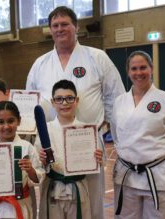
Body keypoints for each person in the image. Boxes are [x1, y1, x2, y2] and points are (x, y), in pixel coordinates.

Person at [26, 6, 125, 218]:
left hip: (86, 143)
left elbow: (115, 99)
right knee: (51, 201)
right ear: (50, 30)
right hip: (49, 143)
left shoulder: (97, 58)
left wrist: (106, 129)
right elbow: (30, 107)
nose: (60, 29)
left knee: (91, 200)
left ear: (76, 27)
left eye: (65, 24)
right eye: (55, 25)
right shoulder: (40, 64)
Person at [110, 50, 165, 219]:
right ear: (128, 72)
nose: (139, 73)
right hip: (127, 175)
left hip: (159, 175)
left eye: (143, 67)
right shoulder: (119, 102)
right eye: (134, 68)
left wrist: (164, 159)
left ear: (151, 69)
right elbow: (116, 136)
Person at [35, 79, 103, 219]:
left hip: (78, 189)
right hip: (53, 190)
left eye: (69, 98)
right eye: (59, 99)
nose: (64, 103)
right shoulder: (44, 130)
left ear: (76, 100)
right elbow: (37, 166)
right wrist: (41, 159)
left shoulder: (88, 130)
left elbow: (99, 164)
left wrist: (98, 159)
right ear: (53, 102)